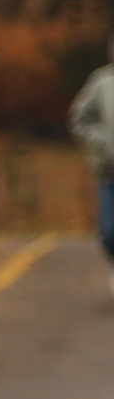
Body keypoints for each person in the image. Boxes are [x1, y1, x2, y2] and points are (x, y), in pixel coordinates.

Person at [70, 39, 114, 292]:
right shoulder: (101, 83)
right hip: (108, 172)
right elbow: (79, 119)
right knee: (108, 231)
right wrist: (101, 142)